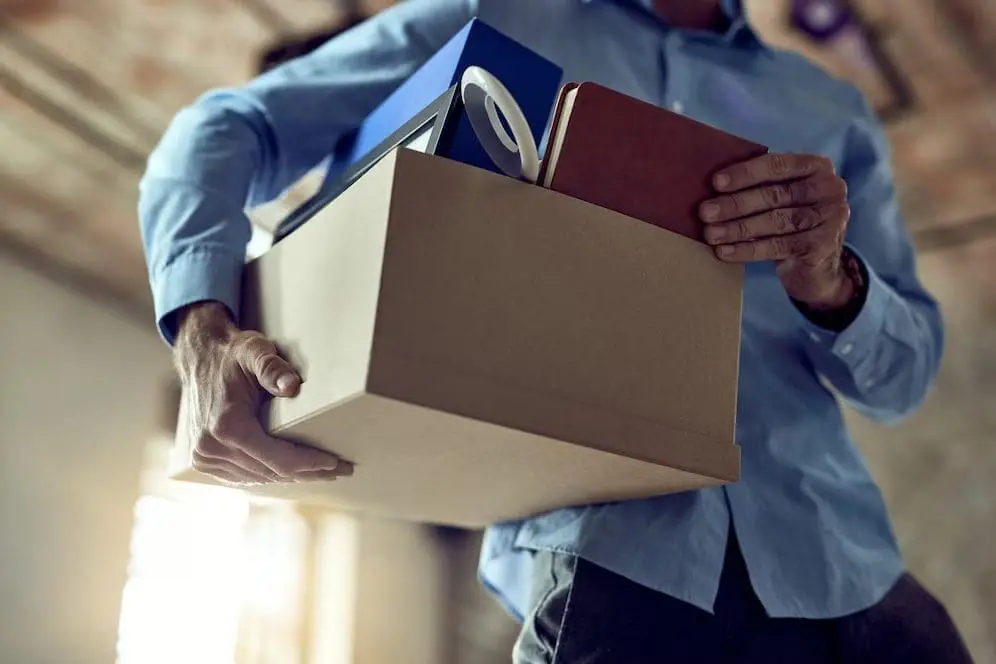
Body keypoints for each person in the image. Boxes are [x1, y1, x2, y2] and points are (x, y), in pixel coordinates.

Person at [139, 0, 973, 661]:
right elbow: (219, 130)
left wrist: (831, 278)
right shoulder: (493, 15)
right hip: (612, 574)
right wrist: (200, 326)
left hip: (855, 576)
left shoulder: (831, 111)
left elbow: (902, 382)